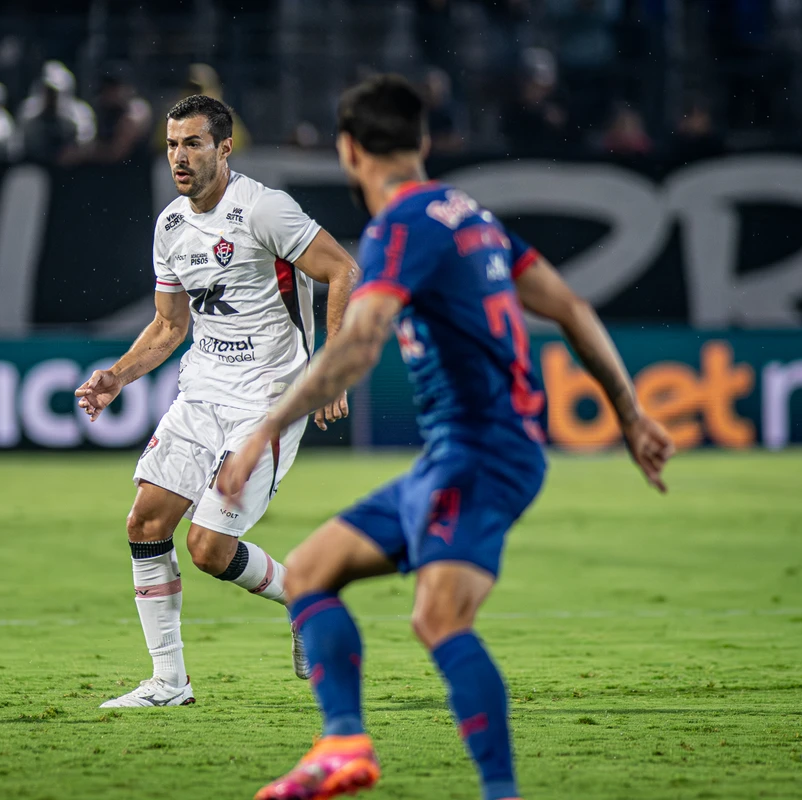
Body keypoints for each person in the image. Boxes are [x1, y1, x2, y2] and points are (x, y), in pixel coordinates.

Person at [217, 74, 675, 800]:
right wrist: (628, 411)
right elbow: (573, 306)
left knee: (439, 618)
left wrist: (266, 427)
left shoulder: (404, 224)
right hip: (456, 456)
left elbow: (362, 340)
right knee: (308, 572)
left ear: (347, 151)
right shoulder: (472, 217)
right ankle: (342, 747)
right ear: (423, 141)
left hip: (483, 454)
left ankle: (500, 793)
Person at [74, 95, 359, 708]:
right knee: (145, 524)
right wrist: (117, 376)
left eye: (193, 143)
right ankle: (168, 683)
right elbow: (169, 326)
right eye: (173, 144)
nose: (180, 156)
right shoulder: (171, 226)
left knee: (207, 550)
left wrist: (332, 369)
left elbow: (343, 270)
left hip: (269, 401)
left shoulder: (264, 209)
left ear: (224, 148)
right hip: (201, 392)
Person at [18, 60, 95, 163]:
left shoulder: (81, 113)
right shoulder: (28, 111)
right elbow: (19, 145)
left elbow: (85, 145)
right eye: (48, 91)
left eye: (55, 92)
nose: (52, 96)